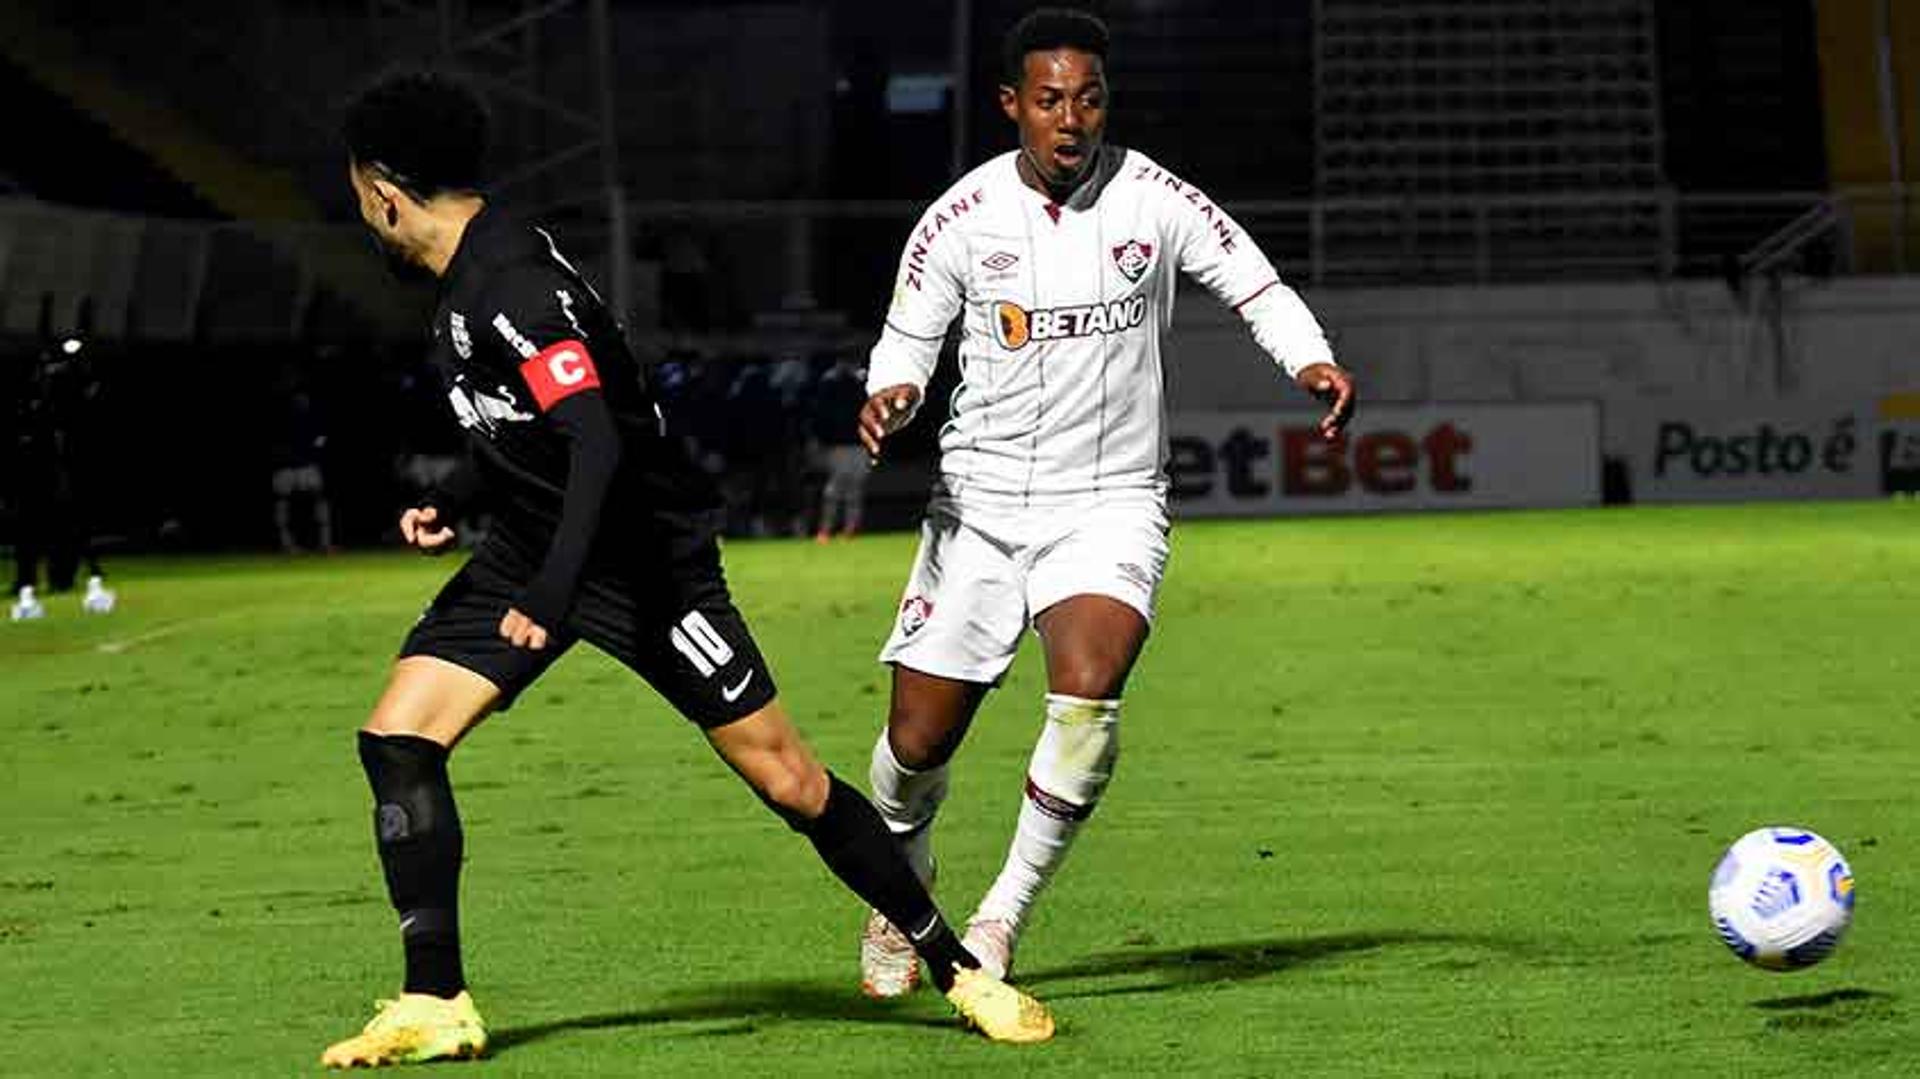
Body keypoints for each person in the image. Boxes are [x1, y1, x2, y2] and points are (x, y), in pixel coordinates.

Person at [321, 71, 1052, 1069]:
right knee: (399, 739)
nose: (361, 210)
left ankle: (960, 967)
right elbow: (535, 436)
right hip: (539, 543)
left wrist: (549, 593)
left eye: (358, 191)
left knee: (790, 779)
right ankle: (435, 995)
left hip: (640, 562)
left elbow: (595, 442)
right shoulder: (464, 287)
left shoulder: (514, 290)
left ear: (384, 190)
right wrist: (456, 498)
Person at [853, 8, 1357, 998]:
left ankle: (998, 919)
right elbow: (907, 336)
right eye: (1049, 99)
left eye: (1087, 98)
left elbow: (1253, 281)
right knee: (915, 746)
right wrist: (892, 391)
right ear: (1012, 105)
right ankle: (899, 885)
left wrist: (1311, 356)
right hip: (982, 508)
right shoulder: (959, 217)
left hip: (1110, 500)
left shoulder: (1155, 198)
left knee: (1087, 692)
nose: (1070, 117)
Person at [809, 352, 872, 542]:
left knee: (854, 489)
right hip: (839, 445)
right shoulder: (830, 382)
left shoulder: (864, 382)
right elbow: (821, 414)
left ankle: (850, 528)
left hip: (859, 443)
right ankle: (826, 529)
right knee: (834, 489)